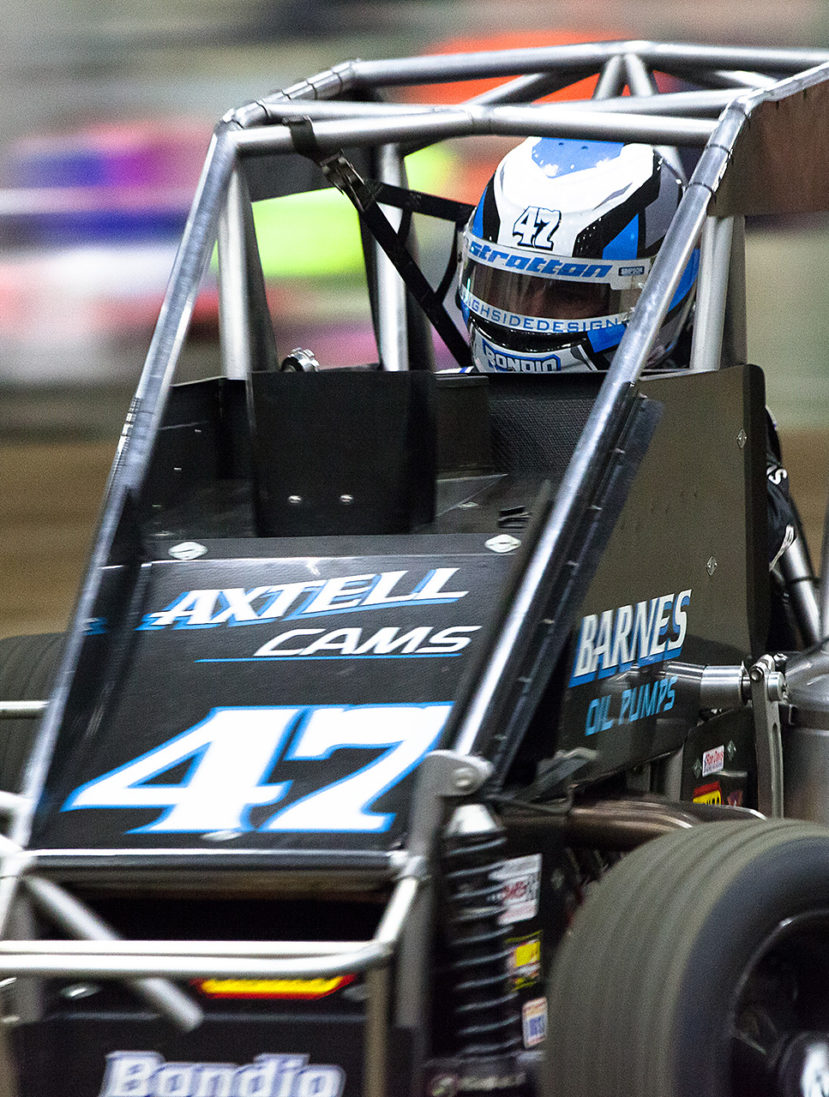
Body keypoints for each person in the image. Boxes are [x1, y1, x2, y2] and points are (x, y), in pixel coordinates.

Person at [457, 136, 805, 644]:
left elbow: (755, 534)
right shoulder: (444, 409)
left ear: (654, 294)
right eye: (505, 283)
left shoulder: (704, 417)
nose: (528, 314)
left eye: (569, 291)